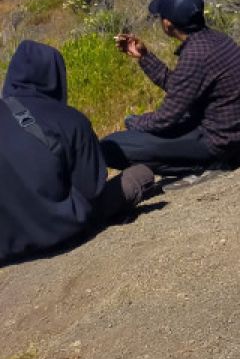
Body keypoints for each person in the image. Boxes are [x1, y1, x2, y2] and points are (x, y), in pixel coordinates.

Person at [1, 40, 155, 262]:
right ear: (55, 78)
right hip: (59, 233)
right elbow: (90, 190)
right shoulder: (71, 120)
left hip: (5, 248)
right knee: (141, 174)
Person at [102, 0, 240, 175]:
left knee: (111, 147)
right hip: (239, 132)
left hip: (220, 141)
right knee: (140, 135)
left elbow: (166, 118)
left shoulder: (196, 54)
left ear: (167, 24)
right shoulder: (214, 39)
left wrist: (134, 123)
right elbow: (182, 88)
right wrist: (144, 57)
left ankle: (206, 166)